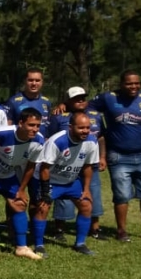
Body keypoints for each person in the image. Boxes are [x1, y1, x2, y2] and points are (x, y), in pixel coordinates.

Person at [89, 70, 141, 242]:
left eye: (136, 83)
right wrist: (65, 106)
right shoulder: (108, 98)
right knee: (122, 195)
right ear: (121, 84)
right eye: (129, 83)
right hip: (118, 156)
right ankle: (122, 231)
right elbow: (86, 108)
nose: (134, 86)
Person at [0, 107, 45, 260]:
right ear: (20, 123)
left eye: (37, 125)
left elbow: (30, 165)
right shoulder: (3, 133)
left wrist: (22, 189)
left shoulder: (39, 140)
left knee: (19, 203)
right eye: (31, 125)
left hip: (9, 176)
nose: (35, 129)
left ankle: (21, 247)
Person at [32, 111, 100, 256]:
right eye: (81, 128)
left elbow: (88, 167)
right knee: (42, 208)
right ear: (70, 127)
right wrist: (45, 192)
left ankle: (80, 244)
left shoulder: (92, 141)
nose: (85, 131)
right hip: (50, 180)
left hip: (71, 181)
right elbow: (44, 168)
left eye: (88, 128)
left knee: (86, 205)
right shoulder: (57, 141)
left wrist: (86, 189)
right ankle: (38, 245)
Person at [46, 87, 106, 241]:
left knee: (92, 192)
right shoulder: (59, 116)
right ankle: (59, 229)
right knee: (64, 196)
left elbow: (101, 138)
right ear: (67, 100)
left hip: (87, 160)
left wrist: (103, 157)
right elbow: (50, 138)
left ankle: (95, 228)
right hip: (66, 162)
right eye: (76, 98)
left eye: (83, 98)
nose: (80, 100)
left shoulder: (95, 115)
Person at [5, 67, 52, 138]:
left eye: (37, 80)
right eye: (30, 80)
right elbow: (7, 127)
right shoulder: (13, 101)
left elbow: (47, 126)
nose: (34, 83)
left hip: (40, 144)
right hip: (20, 144)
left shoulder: (46, 102)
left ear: (42, 82)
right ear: (25, 81)